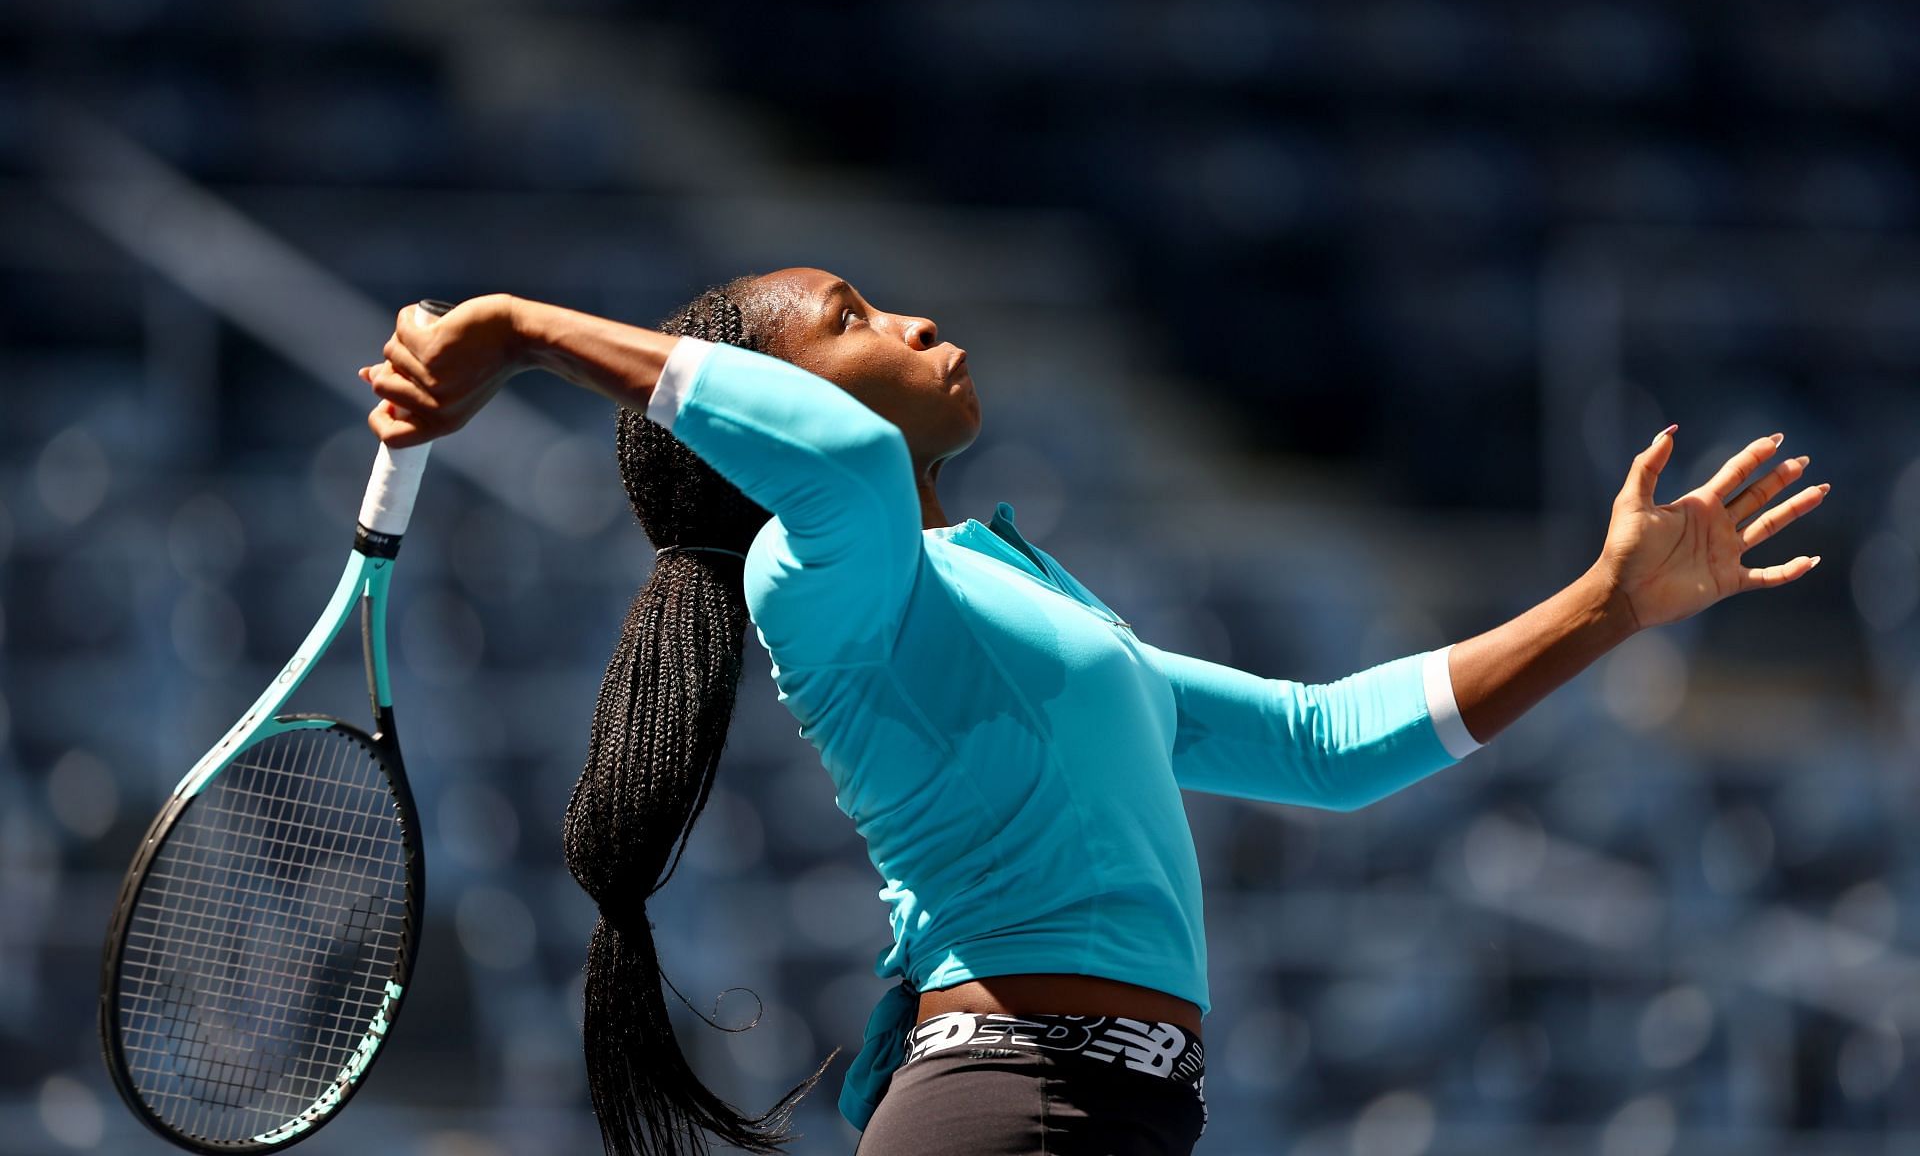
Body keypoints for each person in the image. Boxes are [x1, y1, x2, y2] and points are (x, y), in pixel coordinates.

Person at [360, 268, 1828, 1156]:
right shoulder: (812, 575)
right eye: (854, 318)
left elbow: (1329, 746)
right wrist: (518, 329)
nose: (919, 319)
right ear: (759, 400)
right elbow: (844, 455)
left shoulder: (1015, 596)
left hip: (1109, 1112)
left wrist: (1608, 604)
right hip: (1011, 1108)